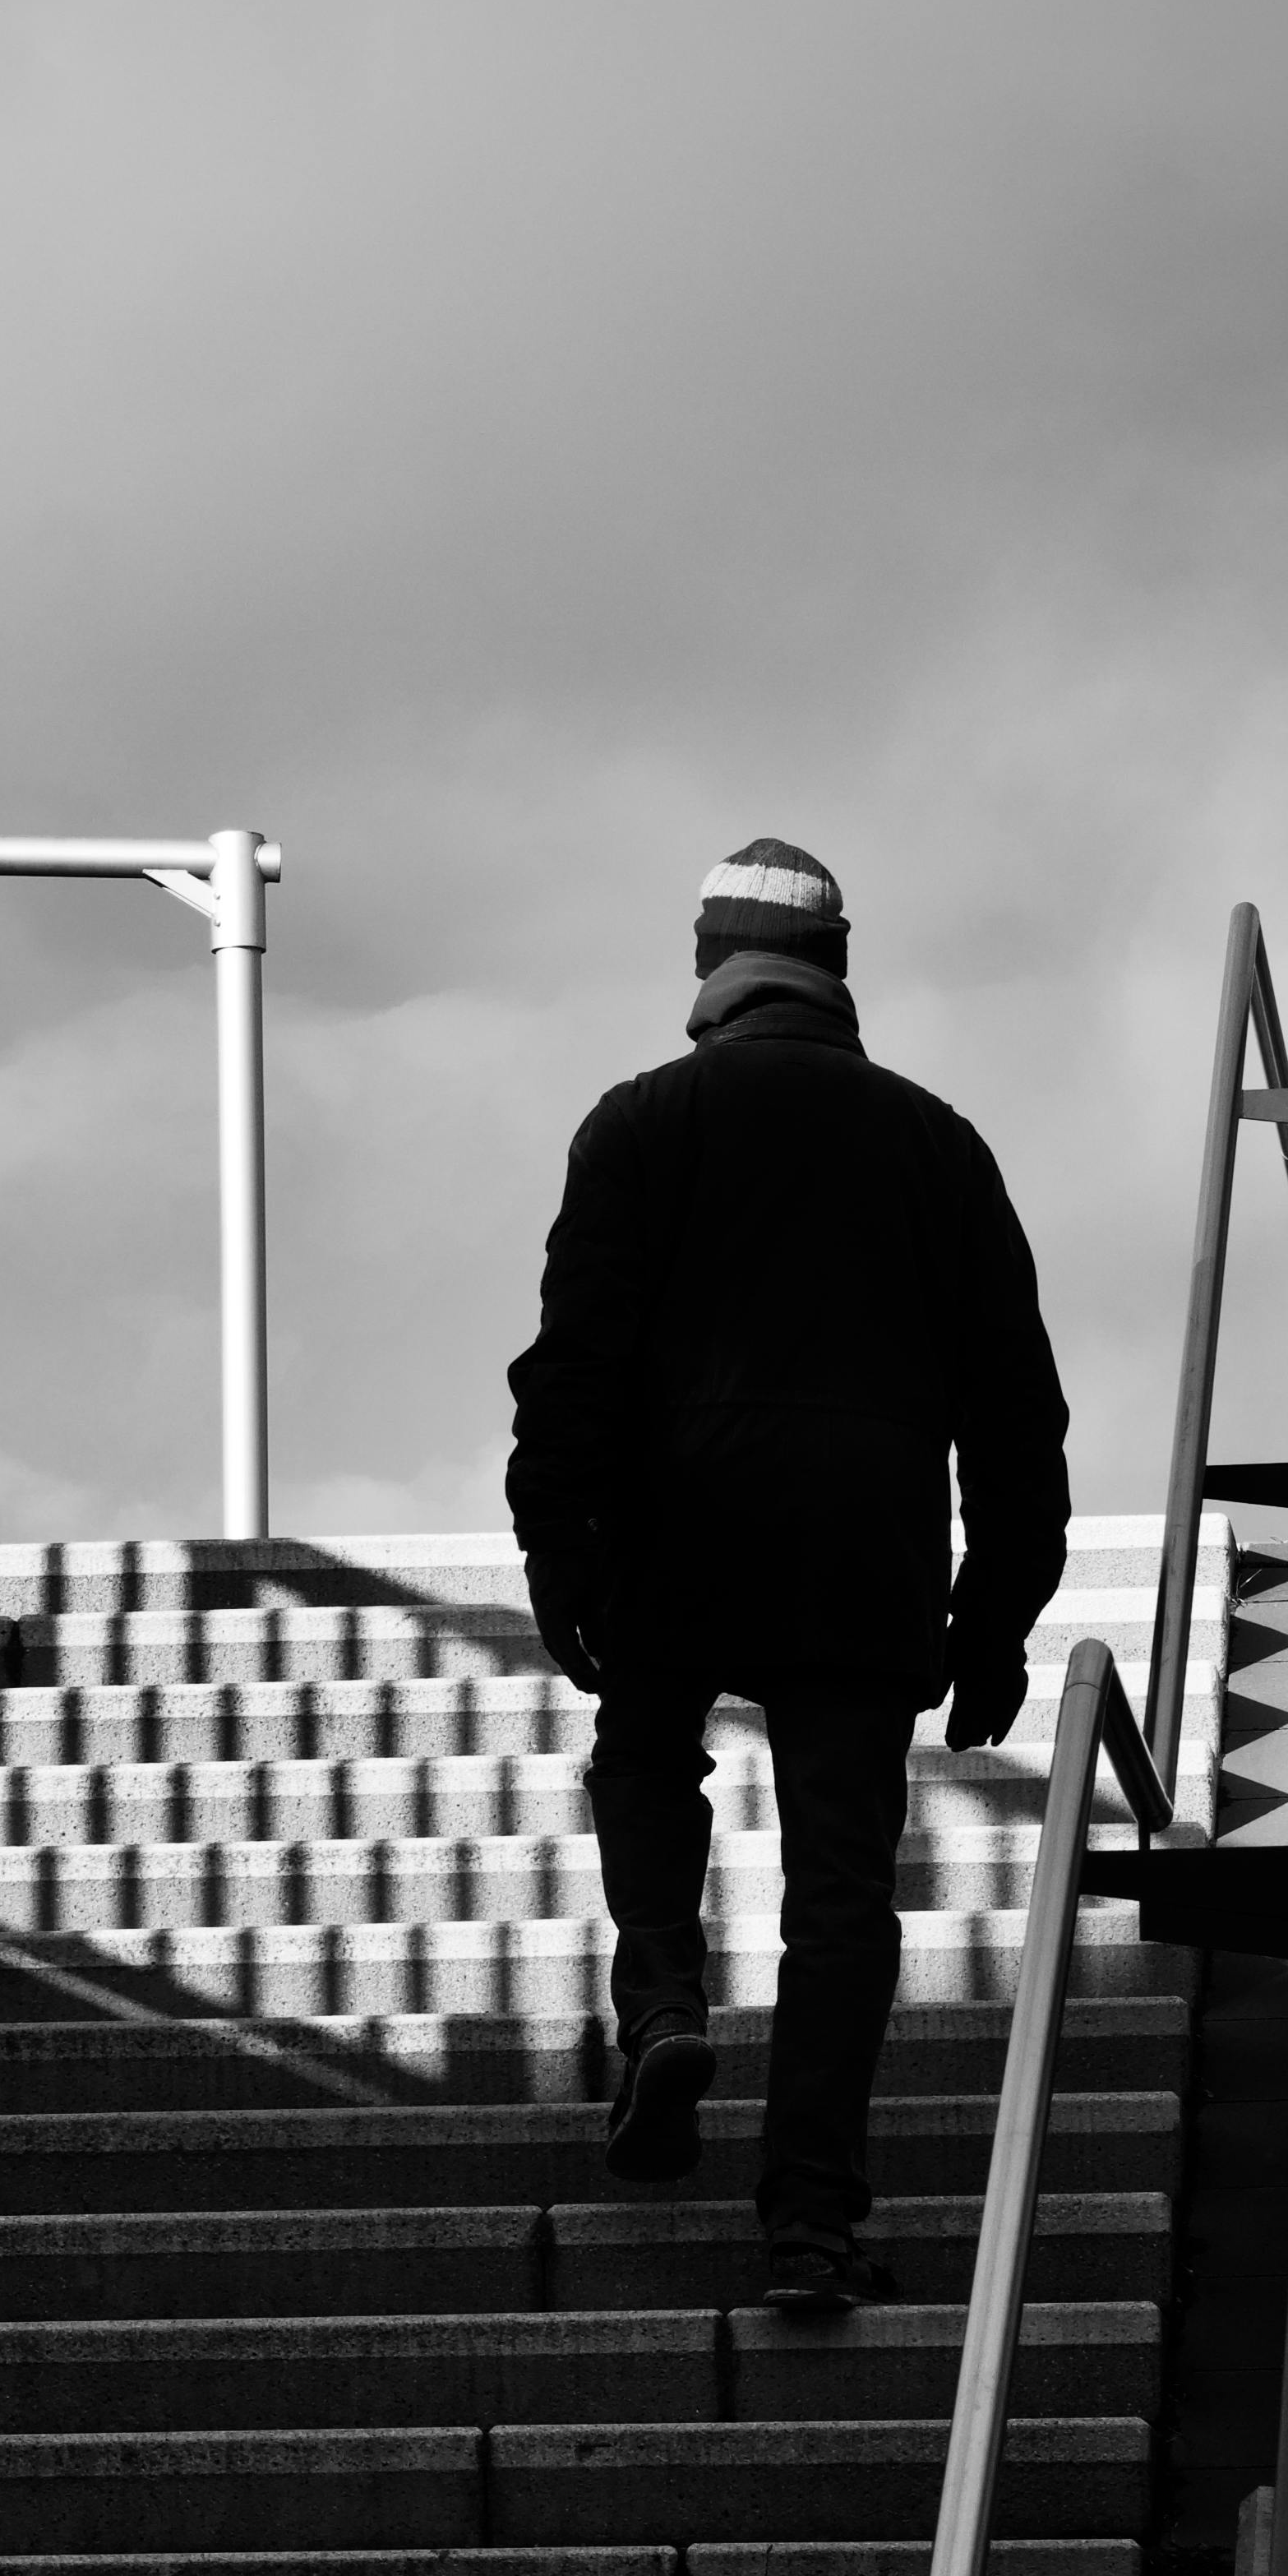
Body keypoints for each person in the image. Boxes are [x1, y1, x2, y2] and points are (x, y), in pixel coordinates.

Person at [505, 835, 1070, 2309]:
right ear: (835, 972)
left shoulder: (639, 1125)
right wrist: (998, 1610)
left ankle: (665, 2000)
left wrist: (556, 1544)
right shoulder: (940, 1146)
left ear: (711, 966)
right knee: (840, 1896)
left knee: (643, 1764)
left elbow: (574, 1367)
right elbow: (1016, 1405)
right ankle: (809, 2220)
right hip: (861, 1552)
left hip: (674, 1538)